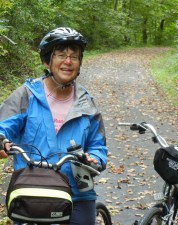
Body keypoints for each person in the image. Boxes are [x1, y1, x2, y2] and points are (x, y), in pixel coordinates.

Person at [0, 27, 108, 225]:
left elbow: (98, 146)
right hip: (32, 190)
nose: (68, 61)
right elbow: (2, 125)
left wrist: (95, 159)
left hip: (77, 194)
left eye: (74, 56)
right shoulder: (27, 95)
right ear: (47, 61)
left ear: (79, 63)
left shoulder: (86, 103)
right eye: (60, 55)